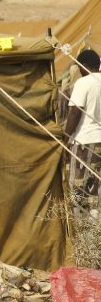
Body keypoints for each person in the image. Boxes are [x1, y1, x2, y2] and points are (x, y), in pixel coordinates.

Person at [65, 49, 101, 209]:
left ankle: (83, 228)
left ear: (84, 65)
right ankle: (95, 225)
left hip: (85, 142)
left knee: (79, 188)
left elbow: (74, 112)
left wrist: (65, 138)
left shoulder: (84, 82)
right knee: (96, 187)